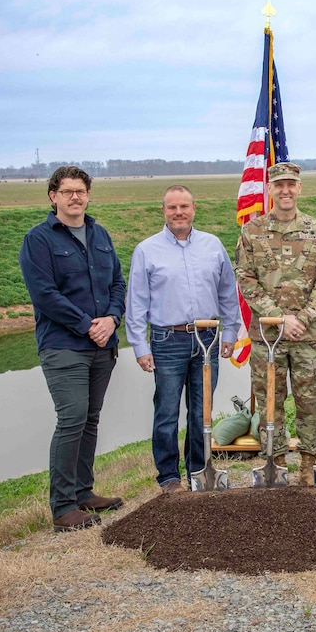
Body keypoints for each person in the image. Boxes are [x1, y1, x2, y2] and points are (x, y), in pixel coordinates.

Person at [19, 166, 126, 532]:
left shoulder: (100, 234)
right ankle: (63, 508)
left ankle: (83, 492)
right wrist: (87, 325)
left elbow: (117, 282)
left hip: (103, 344)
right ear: (53, 196)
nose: (75, 197)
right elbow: (44, 295)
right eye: (67, 192)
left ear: (88, 195)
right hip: (64, 346)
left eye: (80, 191)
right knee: (72, 418)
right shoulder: (39, 239)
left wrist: (112, 318)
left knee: (90, 418)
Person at [125, 185, 242, 494]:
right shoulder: (147, 250)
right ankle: (168, 477)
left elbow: (228, 293)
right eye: (172, 207)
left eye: (184, 206)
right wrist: (139, 345)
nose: (179, 212)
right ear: (163, 211)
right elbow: (136, 303)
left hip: (208, 337)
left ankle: (198, 471)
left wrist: (230, 331)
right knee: (166, 411)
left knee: (202, 411)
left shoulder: (213, 245)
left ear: (194, 208)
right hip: (167, 339)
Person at [235, 162, 316, 486]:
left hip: (305, 336)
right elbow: (246, 279)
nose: (285, 190)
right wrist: (280, 318)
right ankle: (277, 463)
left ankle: (308, 466)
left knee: (309, 401)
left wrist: (302, 318)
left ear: (299, 188)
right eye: (279, 185)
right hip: (268, 337)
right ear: (270, 189)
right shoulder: (252, 232)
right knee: (270, 401)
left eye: (291, 184)